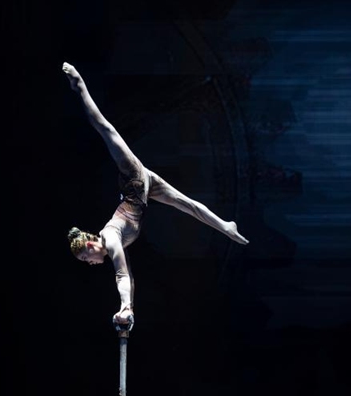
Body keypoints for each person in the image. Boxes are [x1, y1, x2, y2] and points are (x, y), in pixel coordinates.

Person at [62, 62, 248, 328]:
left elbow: (121, 276)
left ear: (90, 247)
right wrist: (128, 310)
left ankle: (79, 84)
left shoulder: (110, 238)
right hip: (144, 189)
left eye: (85, 259)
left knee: (105, 129)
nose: (89, 263)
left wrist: (125, 307)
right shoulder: (115, 245)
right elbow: (129, 276)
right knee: (187, 205)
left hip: (134, 179)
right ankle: (226, 226)